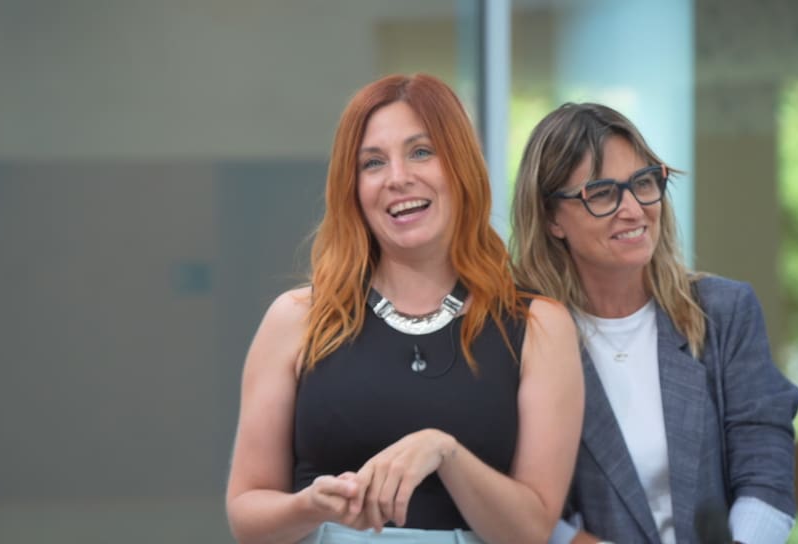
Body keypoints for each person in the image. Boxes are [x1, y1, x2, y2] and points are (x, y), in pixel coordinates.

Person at [226, 74, 584, 544]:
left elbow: (532, 531)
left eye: (421, 152)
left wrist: (444, 453)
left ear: (461, 166)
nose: (397, 178)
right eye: (373, 163)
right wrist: (309, 507)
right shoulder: (296, 318)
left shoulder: (539, 325)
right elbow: (247, 516)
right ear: (352, 188)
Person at [511, 103, 798, 544]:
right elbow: (517, 506)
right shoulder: (518, 334)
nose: (633, 209)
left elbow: (767, 475)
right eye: (602, 193)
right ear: (552, 218)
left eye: (643, 183)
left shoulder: (725, 312)